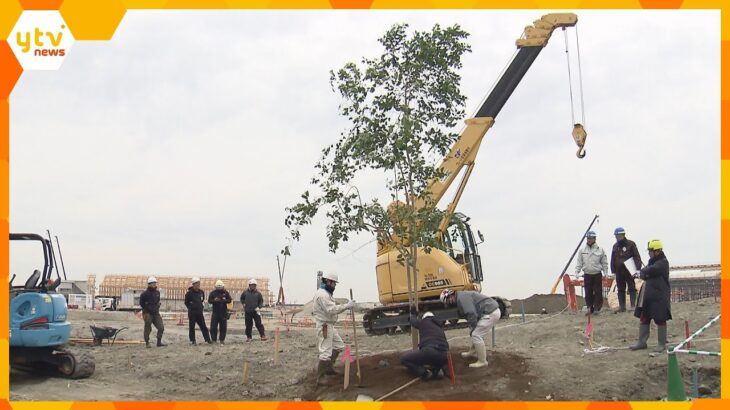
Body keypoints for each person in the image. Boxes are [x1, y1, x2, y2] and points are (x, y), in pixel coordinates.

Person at [312, 272, 355, 385]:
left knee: (339, 346)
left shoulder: (327, 293)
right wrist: (347, 306)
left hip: (329, 324)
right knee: (325, 351)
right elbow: (331, 310)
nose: (334, 286)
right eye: (334, 283)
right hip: (324, 326)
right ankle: (321, 378)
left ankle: (328, 369)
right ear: (328, 281)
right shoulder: (322, 295)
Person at [440, 289, 500, 368]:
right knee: (475, 332)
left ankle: (482, 361)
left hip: (491, 313)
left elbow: (471, 313)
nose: (449, 303)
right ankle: (473, 351)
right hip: (489, 311)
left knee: (476, 334)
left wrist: (472, 326)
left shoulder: (462, 298)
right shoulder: (460, 296)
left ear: (450, 296)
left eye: (447, 301)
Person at [630, 239, 672, 352]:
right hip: (649, 295)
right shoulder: (652, 262)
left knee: (660, 318)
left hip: (659, 296)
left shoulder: (663, 262)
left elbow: (652, 270)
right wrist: (641, 274)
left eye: (650, 251)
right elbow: (647, 273)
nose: (649, 253)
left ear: (656, 251)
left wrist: (642, 272)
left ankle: (661, 344)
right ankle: (642, 342)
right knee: (645, 317)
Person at [400, 311, 450, 380]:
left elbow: (413, 321)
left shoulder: (425, 322)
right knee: (433, 357)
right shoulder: (439, 327)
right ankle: (437, 369)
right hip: (445, 355)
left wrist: (413, 315)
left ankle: (424, 373)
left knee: (404, 359)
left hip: (430, 351)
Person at [575, 230, 609, 315]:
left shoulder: (600, 250)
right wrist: (577, 272)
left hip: (597, 274)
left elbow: (604, 262)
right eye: (588, 238)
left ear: (594, 239)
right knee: (588, 292)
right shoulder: (582, 251)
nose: (589, 240)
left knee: (598, 292)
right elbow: (579, 262)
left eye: (591, 238)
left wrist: (606, 273)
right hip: (587, 274)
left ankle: (597, 309)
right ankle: (590, 308)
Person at [610, 227, 642, 312]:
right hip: (619, 271)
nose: (617, 237)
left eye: (618, 235)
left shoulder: (631, 244)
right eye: (616, 236)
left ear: (623, 235)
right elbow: (613, 258)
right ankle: (622, 307)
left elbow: (637, 257)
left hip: (629, 270)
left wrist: (637, 269)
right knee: (620, 289)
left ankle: (632, 305)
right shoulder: (615, 246)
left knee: (631, 287)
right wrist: (613, 270)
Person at [139, 276, 166, 348]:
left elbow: (158, 302)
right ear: (149, 284)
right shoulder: (144, 294)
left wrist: (157, 307)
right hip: (147, 313)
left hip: (156, 313)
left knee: (161, 327)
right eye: (153, 283)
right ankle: (147, 342)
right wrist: (146, 309)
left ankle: (159, 342)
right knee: (148, 327)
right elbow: (141, 303)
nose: (154, 284)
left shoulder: (157, 293)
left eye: (155, 283)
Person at [184, 277, 211, 345]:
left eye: (199, 283)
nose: (198, 285)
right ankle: (193, 340)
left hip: (199, 312)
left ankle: (207, 339)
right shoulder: (189, 293)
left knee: (203, 326)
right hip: (192, 313)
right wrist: (191, 307)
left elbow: (202, 300)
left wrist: (200, 307)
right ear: (193, 284)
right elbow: (186, 302)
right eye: (196, 284)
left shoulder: (201, 292)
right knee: (192, 327)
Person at [208, 280, 232, 344]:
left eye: (220, 288)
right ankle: (214, 340)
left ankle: (222, 340)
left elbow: (229, 300)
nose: (219, 289)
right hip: (215, 313)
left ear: (223, 287)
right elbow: (209, 300)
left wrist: (224, 300)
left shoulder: (226, 293)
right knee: (213, 327)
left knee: (223, 327)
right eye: (218, 288)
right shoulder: (213, 293)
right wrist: (215, 300)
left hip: (223, 313)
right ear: (215, 287)